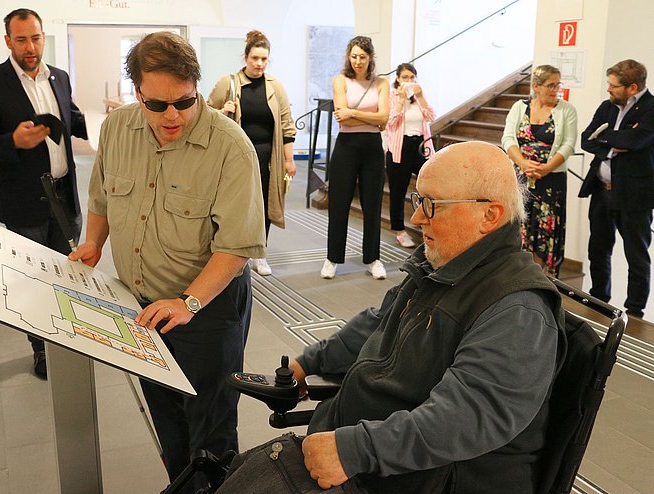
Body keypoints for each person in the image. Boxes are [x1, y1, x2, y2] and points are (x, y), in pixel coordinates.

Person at [219, 141, 564, 494]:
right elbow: (378, 323)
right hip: (369, 452)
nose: (416, 218)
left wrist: (356, 450)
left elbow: (468, 416)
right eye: (418, 201)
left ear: (489, 216)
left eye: (431, 205)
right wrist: (307, 363)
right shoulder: (448, 262)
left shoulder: (517, 309)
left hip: (423, 477)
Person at [67, 32, 266, 492]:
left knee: (211, 429)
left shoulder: (229, 148)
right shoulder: (117, 129)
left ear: (196, 86)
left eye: (184, 101)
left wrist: (188, 302)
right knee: (167, 417)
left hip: (208, 309)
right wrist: (94, 243)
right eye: (157, 105)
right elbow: (101, 197)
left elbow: (235, 248)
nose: (172, 115)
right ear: (137, 93)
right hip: (144, 308)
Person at [0, 8, 88, 380]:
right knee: (33, 281)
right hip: (24, 201)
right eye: (21, 40)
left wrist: (113, 122)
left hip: (65, 196)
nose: (30, 47)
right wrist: (14, 141)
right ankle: (41, 350)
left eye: (35, 38)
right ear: (8, 41)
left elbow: (71, 119)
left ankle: (70, 340)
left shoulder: (60, 78)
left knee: (69, 274)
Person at [207, 30, 296, 277]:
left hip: (268, 157)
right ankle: (231, 253)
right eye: (255, 58)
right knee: (236, 206)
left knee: (264, 205)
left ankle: (260, 253)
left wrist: (289, 160)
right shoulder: (229, 83)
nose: (259, 64)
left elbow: (287, 125)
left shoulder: (275, 87)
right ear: (246, 57)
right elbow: (205, 114)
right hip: (237, 156)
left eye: (264, 59)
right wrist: (223, 111)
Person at [580, 59, 654, 319]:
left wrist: (605, 136)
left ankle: (634, 313)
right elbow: (586, 139)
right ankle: (599, 300)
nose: (608, 90)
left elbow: (636, 140)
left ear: (632, 87)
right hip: (602, 190)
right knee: (598, 249)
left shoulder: (651, 109)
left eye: (613, 86)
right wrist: (614, 142)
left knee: (636, 255)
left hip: (635, 196)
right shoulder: (607, 106)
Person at [321, 36, 389, 280]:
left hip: (372, 148)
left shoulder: (381, 83)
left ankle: (373, 258)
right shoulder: (340, 80)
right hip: (346, 146)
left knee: (372, 205)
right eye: (354, 56)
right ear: (348, 57)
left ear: (370, 57)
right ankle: (332, 258)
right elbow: (342, 117)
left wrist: (354, 113)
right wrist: (369, 117)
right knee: (339, 203)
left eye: (362, 56)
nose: (358, 61)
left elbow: (384, 119)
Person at [502, 64, 578, 276]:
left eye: (558, 85)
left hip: (551, 180)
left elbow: (569, 144)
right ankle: (518, 273)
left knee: (546, 230)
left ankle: (539, 276)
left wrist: (545, 169)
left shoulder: (566, 110)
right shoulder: (519, 107)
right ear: (536, 86)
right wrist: (523, 163)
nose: (556, 90)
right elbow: (508, 138)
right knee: (521, 224)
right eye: (551, 85)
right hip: (522, 177)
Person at [384, 63, 435, 249]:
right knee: (398, 190)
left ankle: (427, 222)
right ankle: (399, 231)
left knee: (430, 184)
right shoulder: (391, 97)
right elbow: (390, 122)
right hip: (399, 148)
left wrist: (419, 96)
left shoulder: (417, 96)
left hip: (420, 146)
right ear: (398, 79)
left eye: (412, 78)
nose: (409, 81)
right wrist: (401, 101)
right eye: (405, 77)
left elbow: (430, 116)